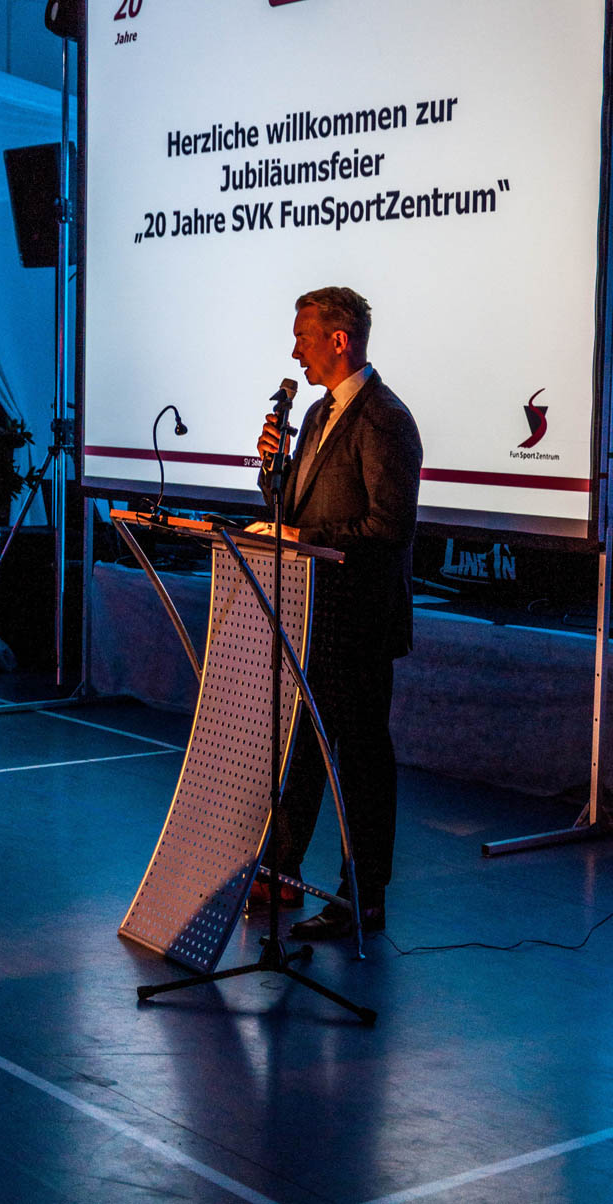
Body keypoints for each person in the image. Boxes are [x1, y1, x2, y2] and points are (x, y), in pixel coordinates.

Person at [250, 286, 422, 938]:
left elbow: (389, 526)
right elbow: (292, 509)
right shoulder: (319, 414)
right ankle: (282, 871)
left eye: (304, 336)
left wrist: (303, 539)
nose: (295, 350)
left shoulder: (385, 419)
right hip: (311, 614)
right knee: (302, 749)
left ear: (339, 340)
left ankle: (363, 897)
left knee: (361, 760)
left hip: (360, 621)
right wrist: (271, 472)